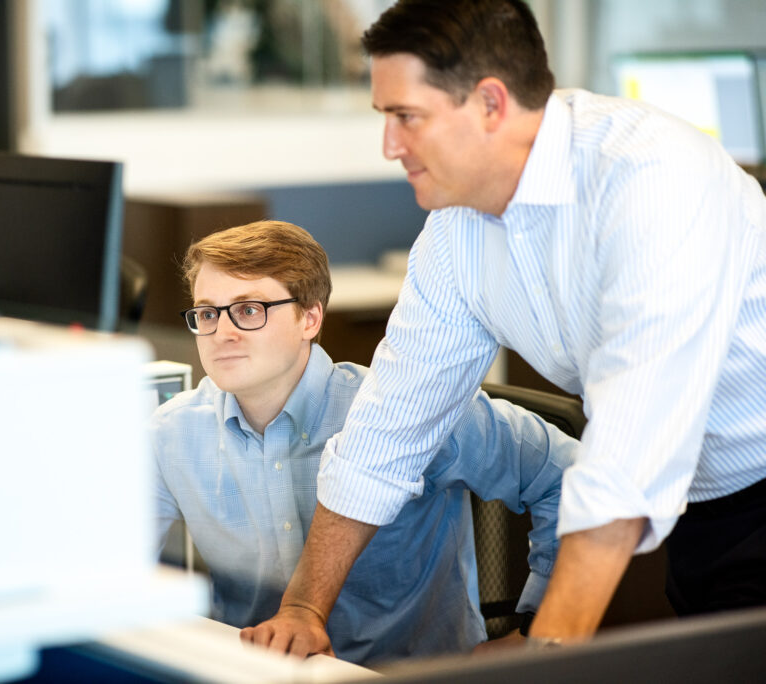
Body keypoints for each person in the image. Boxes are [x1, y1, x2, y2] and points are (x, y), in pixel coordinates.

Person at [242, 0, 766, 655]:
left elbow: (626, 461)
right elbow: (385, 434)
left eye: (407, 117)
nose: (389, 146)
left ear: (490, 103)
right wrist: (302, 608)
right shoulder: (458, 231)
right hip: (699, 509)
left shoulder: (652, 181)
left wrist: (538, 664)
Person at [152, 219, 579, 665]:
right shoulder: (172, 434)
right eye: (206, 313)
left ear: (310, 318)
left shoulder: (407, 410)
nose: (223, 333)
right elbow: (108, 577)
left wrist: (538, 632)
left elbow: (569, 477)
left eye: (249, 309)